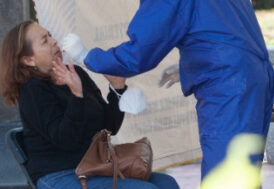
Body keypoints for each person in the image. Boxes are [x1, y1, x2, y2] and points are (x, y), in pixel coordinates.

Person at [64, 0, 274, 178]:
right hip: (254, 77)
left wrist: (88, 57)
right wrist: (191, 66)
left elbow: (139, 53)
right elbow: (224, 29)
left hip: (228, 88)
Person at [0, 21, 179, 189]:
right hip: (58, 174)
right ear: (28, 60)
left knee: (167, 183)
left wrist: (117, 88)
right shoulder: (33, 90)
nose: (54, 41)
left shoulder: (76, 73)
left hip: (95, 166)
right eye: (45, 41)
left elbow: (109, 127)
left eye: (51, 35)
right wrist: (77, 96)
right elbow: (65, 139)